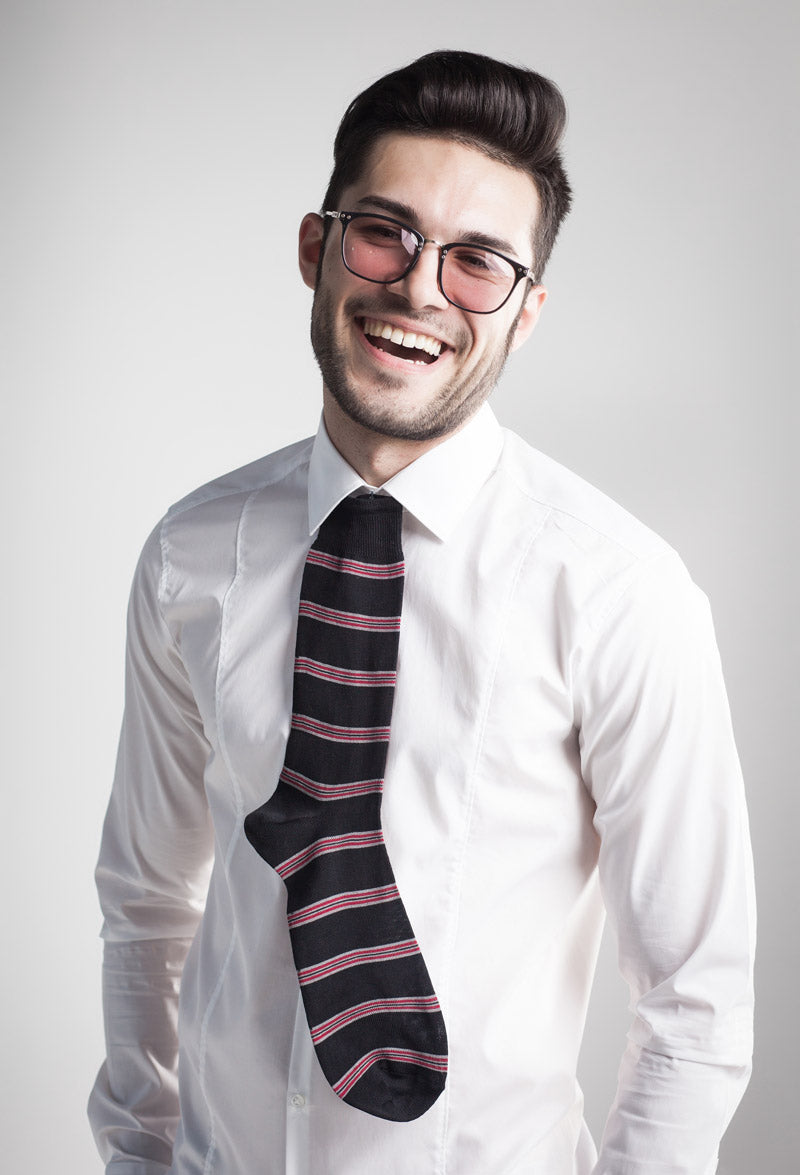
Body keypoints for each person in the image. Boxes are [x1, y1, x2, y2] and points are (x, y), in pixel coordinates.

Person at [88, 50, 755, 1174]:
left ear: (525, 311)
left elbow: (694, 994)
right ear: (316, 247)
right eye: (382, 232)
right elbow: (148, 903)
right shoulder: (192, 554)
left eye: (477, 263)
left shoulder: (615, 589)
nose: (418, 288)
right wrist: (138, 1155)